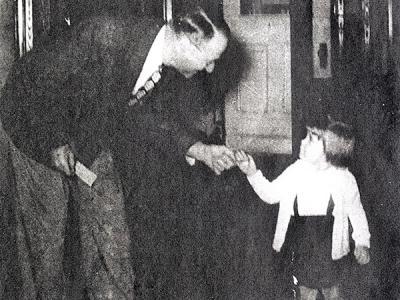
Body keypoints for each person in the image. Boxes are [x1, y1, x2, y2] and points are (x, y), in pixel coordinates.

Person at [0, 7, 236, 299]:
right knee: (47, 248)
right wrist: (54, 139)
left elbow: (148, 115)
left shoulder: (160, 62)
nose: (211, 68)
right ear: (189, 41)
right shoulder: (107, 33)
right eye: (210, 59)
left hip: (90, 136)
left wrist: (199, 149)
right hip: (35, 128)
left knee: (113, 238)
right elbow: (37, 78)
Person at [235, 118, 371, 300]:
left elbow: (356, 212)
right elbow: (270, 194)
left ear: (330, 150)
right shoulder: (296, 171)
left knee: (333, 292)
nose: (302, 141)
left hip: (330, 250)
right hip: (302, 246)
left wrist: (362, 242)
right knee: (304, 291)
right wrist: (251, 173)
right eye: (305, 136)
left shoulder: (344, 178)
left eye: (312, 138)